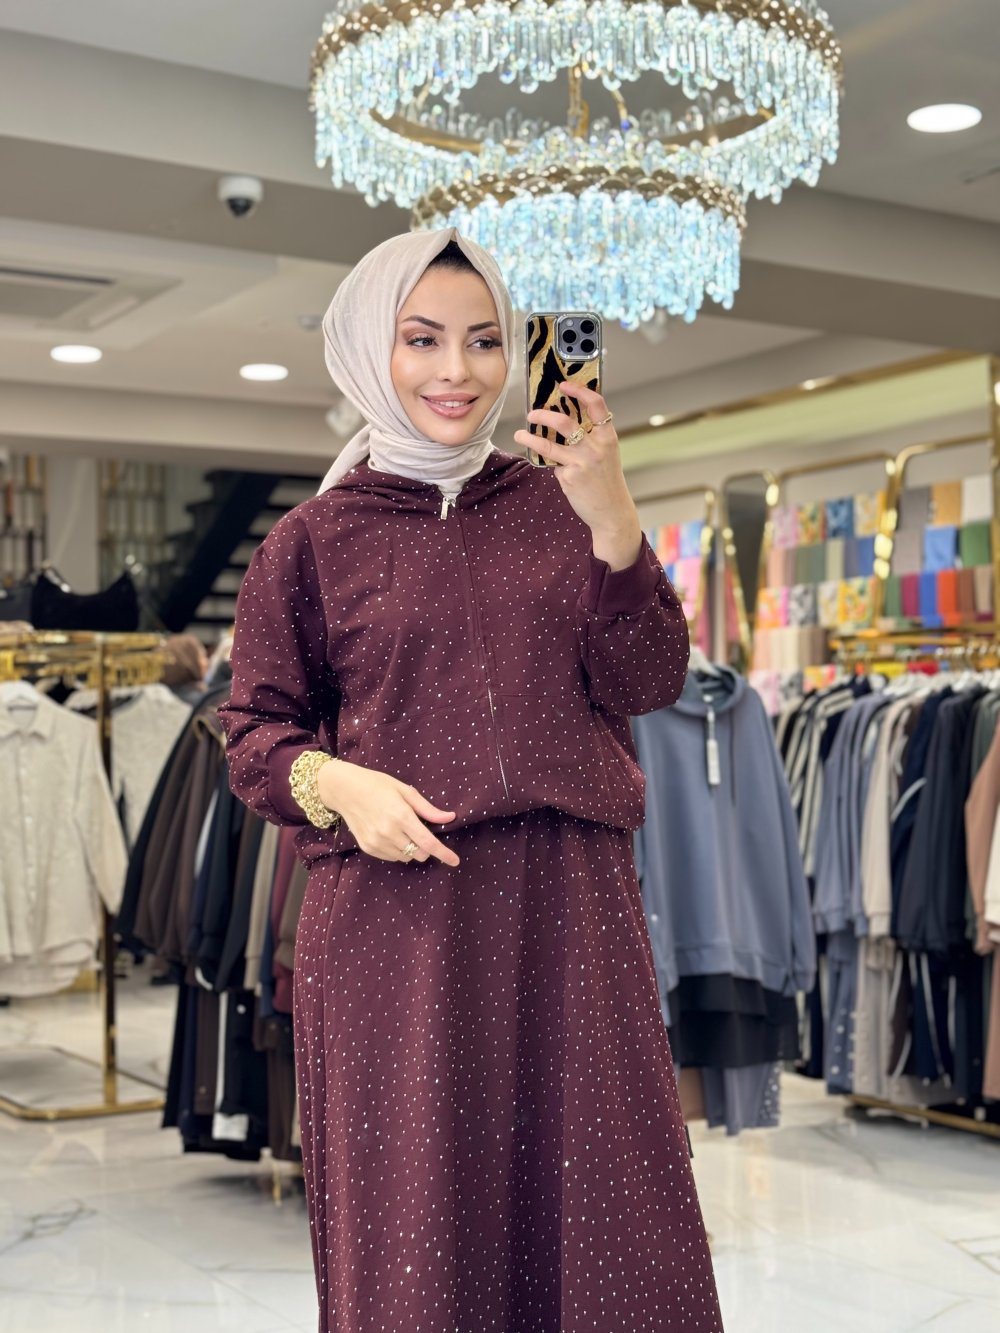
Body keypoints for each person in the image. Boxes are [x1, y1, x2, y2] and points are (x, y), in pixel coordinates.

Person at [219, 228, 723, 1333]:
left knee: (605, 1216)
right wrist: (338, 783)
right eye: (422, 339)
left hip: (568, 910)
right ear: (370, 348)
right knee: (416, 1225)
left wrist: (614, 519)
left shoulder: (561, 506)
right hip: (398, 927)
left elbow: (645, 679)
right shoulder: (310, 541)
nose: (457, 370)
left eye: (485, 340)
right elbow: (252, 731)